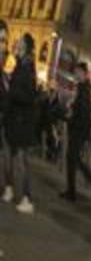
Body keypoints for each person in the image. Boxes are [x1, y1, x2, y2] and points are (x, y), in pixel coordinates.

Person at [3, 34, 40, 214]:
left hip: (22, 122)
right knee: (9, 156)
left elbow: (30, 97)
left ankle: (27, 198)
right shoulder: (20, 65)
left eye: (21, 43)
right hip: (14, 119)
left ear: (27, 47)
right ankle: (9, 188)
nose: (17, 44)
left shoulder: (28, 68)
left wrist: (12, 91)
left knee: (22, 161)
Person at [61, 62, 91, 202]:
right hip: (79, 129)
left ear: (83, 72)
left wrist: (71, 114)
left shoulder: (84, 88)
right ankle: (78, 190)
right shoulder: (83, 88)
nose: (75, 74)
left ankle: (73, 192)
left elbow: (84, 112)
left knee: (73, 159)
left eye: (76, 72)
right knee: (75, 160)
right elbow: (81, 109)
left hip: (79, 130)